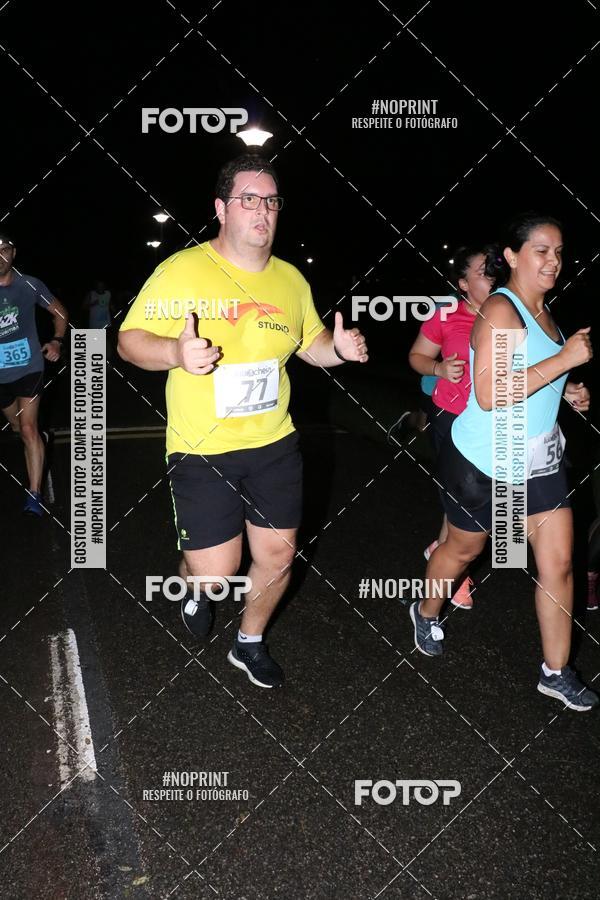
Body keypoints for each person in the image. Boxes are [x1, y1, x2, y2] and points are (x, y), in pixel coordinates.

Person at [118, 154, 368, 689]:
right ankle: (193, 583)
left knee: (277, 556)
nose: (262, 211)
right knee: (214, 575)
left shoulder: (290, 280)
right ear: (220, 209)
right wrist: (175, 353)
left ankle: (248, 641)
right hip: (201, 446)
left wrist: (338, 349)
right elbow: (128, 341)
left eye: (271, 201)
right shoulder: (182, 270)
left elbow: (309, 344)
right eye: (249, 200)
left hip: (274, 443)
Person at [408, 213, 598, 711]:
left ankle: (555, 672)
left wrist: (567, 389)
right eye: (541, 249)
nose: (553, 260)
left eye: (558, 251)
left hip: (539, 459)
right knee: (463, 550)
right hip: (486, 460)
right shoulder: (502, 310)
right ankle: (426, 610)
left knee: (557, 563)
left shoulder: (546, 314)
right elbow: (492, 393)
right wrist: (564, 363)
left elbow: (534, 378)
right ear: (512, 257)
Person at [408, 250, 494, 608]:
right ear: (463, 283)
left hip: (493, 423)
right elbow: (416, 357)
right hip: (452, 418)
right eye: (483, 272)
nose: (492, 277)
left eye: (496, 271)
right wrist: (439, 369)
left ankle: (443, 553)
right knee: (463, 499)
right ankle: (453, 567)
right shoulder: (447, 315)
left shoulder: (512, 316)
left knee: (472, 504)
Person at [0, 233, 68, 516]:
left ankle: (34, 493)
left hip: (30, 367)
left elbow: (60, 313)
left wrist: (56, 341)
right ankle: (40, 441)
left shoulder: (29, 284)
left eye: (3, 250)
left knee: (28, 429)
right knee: (18, 428)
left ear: (13, 252)